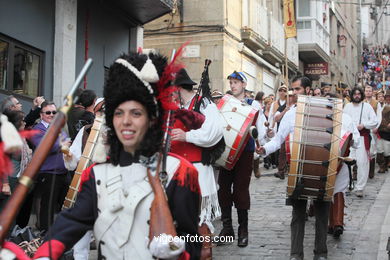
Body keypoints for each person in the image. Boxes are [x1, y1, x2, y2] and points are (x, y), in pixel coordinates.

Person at [29, 51, 202, 259]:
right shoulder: (96, 173)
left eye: (136, 113)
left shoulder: (180, 172)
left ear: (152, 119)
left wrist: (175, 250)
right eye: (119, 113)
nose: (125, 121)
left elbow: (193, 241)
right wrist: (46, 253)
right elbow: (74, 220)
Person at [258, 75, 329, 260]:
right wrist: (264, 148)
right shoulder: (290, 114)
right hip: (298, 168)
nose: (293, 93)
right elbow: (278, 139)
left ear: (306, 89)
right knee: (298, 214)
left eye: (297, 89)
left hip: (321, 167)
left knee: (322, 212)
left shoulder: (323, 109)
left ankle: (321, 253)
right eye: (292, 89)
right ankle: (296, 254)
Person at [170, 68, 223, 257]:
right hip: (175, 170)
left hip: (198, 169)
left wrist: (187, 135)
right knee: (177, 218)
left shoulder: (204, 103)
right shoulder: (176, 107)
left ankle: (204, 253)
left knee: (201, 220)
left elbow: (214, 131)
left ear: (178, 88)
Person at [217, 71, 263, 247]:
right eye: (231, 83)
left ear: (244, 84)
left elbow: (259, 128)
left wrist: (262, 139)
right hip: (226, 151)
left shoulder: (254, 105)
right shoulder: (226, 103)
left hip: (245, 152)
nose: (233, 85)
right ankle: (227, 228)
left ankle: (243, 230)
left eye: (236, 82)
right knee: (223, 189)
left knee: (241, 190)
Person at [30, 101, 70, 232]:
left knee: (66, 206)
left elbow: (64, 142)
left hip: (63, 172)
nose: (51, 114)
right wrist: (61, 142)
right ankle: (45, 236)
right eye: (48, 112)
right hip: (49, 174)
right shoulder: (37, 129)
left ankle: (61, 235)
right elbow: (46, 146)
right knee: (48, 208)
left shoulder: (58, 127)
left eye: (54, 112)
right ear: (41, 115)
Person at [328, 113, 360, 239]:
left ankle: (338, 223)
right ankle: (330, 224)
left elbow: (356, 139)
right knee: (327, 190)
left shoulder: (347, 118)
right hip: (323, 159)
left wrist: (351, 141)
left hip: (341, 159)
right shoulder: (321, 116)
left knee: (339, 189)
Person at [343, 87, 378, 197]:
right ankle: (348, 185)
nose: (357, 96)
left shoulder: (367, 107)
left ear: (361, 95)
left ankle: (360, 188)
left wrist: (364, 125)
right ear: (352, 95)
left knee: (362, 162)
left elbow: (374, 121)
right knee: (347, 162)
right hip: (349, 138)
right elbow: (342, 120)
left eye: (359, 94)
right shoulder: (347, 107)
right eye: (355, 94)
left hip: (362, 137)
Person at [269, 85, 289, 179]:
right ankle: (281, 170)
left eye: (284, 90)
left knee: (287, 150)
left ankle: (286, 169)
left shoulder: (291, 103)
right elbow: (273, 117)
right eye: (280, 90)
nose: (282, 92)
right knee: (281, 150)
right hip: (280, 128)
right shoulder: (276, 104)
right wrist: (270, 127)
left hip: (291, 129)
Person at [376, 90, 390, 173]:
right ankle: (382, 166)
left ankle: (386, 164)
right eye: (387, 97)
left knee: (387, 149)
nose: (388, 98)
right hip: (379, 130)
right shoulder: (381, 106)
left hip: (388, 132)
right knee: (379, 148)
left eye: (389, 97)